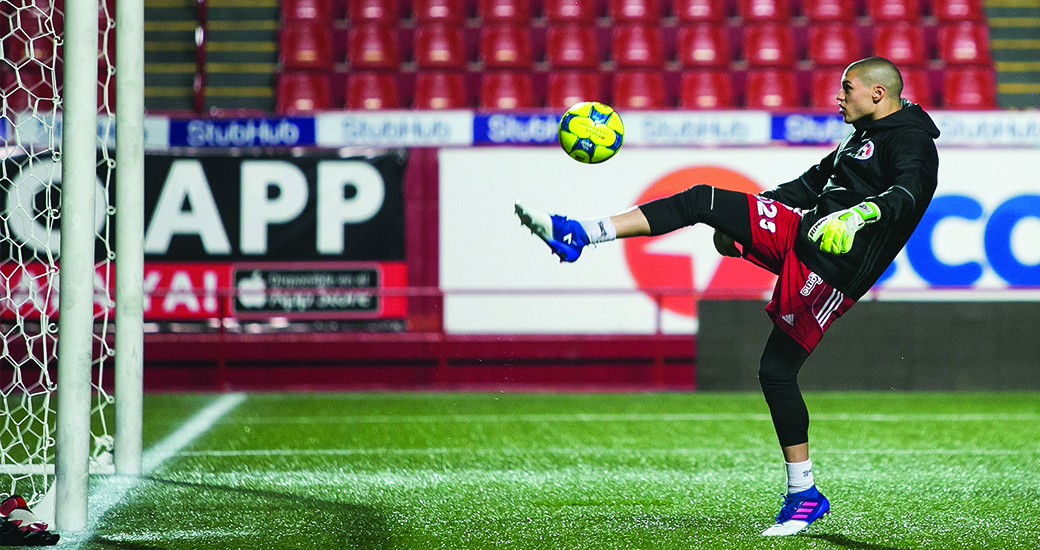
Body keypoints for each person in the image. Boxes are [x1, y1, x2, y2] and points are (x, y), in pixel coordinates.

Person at [515, 57, 940, 536]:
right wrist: (753, 211)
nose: (838, 96)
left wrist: (857, 217)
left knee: (776, 371)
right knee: (705, 200)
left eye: (847, 88)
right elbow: (809, 185)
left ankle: (804, 495)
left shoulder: (913, 142)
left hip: (835, 268)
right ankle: (580, 233)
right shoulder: (859, 135)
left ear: (878, 94)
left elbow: (909, 194)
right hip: (803, 233)